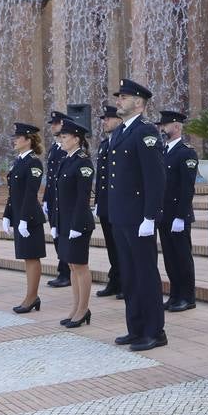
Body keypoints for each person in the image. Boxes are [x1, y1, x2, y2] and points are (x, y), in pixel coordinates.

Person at [108, 79, 168, 351]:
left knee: (145, 274)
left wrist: (150, 217)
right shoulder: (121, 132)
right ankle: (136, 327)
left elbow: (155, 179)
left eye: (124, 96)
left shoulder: (146, 133)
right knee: (130, 275)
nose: (118, 100)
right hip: (121, 216)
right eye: (119, 96)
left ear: (140, 103)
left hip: (138, 218)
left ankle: (154, 331)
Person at [53, 117, 96, 327]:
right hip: (66, 223)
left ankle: (83, 309)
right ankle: (75, 307)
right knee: (71, 265)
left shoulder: (83, 162)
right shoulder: (66, 160)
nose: (61, 140)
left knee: (80, 266)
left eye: (64, 136)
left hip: (78, 224)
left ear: (77, 139)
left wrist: (77, 226)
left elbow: (83, 197)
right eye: (60, 136)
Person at [3, 121, 46, 313]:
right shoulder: (19, 161)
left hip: (30, 219)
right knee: (26, 258)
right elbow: (13, 193)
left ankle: (32, 297)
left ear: (28, 140)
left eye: (18, 137)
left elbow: (31, 193)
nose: (14, 140)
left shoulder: (33, 162)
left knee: (32, 258)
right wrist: (7, 215)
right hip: (20, 216)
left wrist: (23, 220)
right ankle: (30, 296)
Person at [158, 109, 198, 312]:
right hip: (164, 214)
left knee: (182, 257)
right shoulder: (163, 151)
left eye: (165, 125)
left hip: (178, 215)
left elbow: (187, 187)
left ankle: (187, 296)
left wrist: (181, 216)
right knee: (169, 258)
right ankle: (175, 294)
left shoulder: (186, 151)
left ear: (176, 126)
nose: (162, 128)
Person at [94, 105, 124, 298]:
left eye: (108, 118)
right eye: (103, 118)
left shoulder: (122, 142)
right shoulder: (105, 144)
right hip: (106, 203)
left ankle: (124, 283)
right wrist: (97, 201)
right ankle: (115, 281)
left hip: (119, 204)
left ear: (119, 120)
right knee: (112, 247)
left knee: (121, 246)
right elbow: (102, 176)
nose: (104, 122)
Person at [44, 111, 71, 288]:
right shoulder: (55, 147)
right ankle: (62, 270)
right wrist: (46, 199)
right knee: (57, 237)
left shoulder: (67, 148)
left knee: (63, 236)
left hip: (64, 201)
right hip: (53, 199)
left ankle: (67, 272)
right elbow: (51, 177)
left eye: (55, 123)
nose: (52, 126)